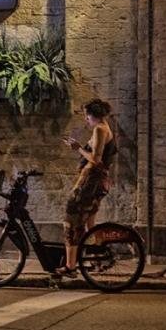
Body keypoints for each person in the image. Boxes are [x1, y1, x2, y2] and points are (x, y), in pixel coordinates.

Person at [56, 98, 117, 278]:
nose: (85, 119)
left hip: (90, 181)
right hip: (98, 181)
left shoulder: (100, 129)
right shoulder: (106, 128)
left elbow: (96, 159)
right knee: (90, 222)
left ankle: (70, 266)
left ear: (93, 115)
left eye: (86, 115)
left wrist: (78, 148)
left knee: (71, 219)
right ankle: (99, 258)